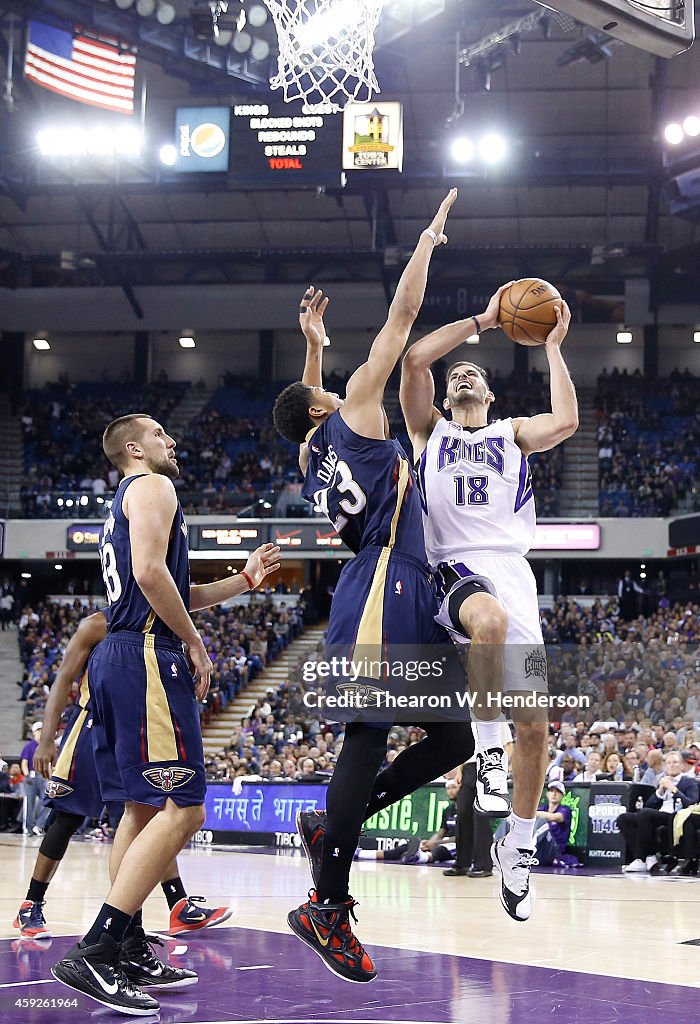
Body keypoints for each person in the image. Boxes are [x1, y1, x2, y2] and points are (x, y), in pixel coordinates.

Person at [273, 190, 474, 984]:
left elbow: (302, 410)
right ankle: (326, 902)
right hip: (386, 579)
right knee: (368, 733)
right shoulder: (355, 408)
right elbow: (401, 318)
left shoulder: (308, 453)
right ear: (330, 402)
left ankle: (334, 824)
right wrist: (426, 240)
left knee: (454, 738)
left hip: (392, 581)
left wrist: (313, 352)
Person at [51, 412, 280, 1014]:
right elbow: (153, 577)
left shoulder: (122, 504)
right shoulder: (154, 486)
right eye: (159, 434)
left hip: (122, 656)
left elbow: (171, 584)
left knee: (141, 805)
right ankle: (98, 947)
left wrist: (243, 582)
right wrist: (197, 645)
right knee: (186, 809)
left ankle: (124, 944)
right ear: (133, 448)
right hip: (148, 656)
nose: (171, 441)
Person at [399, 291, 577, 921]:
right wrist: (484, 321)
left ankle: (519, 846)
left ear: (493, 396)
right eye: (457, 377)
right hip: (454, 566)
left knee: (537, 726)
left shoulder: (512, 435)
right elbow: (417, 356)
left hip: (515, 573)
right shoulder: (429, 433)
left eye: (474, 372)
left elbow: (566, 421)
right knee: (489, 625)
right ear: (447, 399)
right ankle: (486, 744)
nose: (463, 374)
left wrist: (552, 350)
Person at [14, 611, 232, 941]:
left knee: (144, 817)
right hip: (90, 723)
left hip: (131, 725)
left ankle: (173, 907)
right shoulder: (97, 625)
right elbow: (63, 680)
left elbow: (188, 596)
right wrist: (46, 740)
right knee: (68, 817)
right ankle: (32, 903)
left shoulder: (162, 624)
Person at [444, 722, 512, 878]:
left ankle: (483, 865)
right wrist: (460, 771)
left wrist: (502, 768)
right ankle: (462, 863)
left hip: (489, 766)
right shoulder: (468, 722)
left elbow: (508, 746)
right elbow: (464, 750)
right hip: (469, 768)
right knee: (462, 815)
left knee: (481, 818)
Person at [618, 751, 699, 873]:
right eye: (669, 763)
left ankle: (640, 858)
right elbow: (649, 805)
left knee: (646, 814)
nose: (672, 765)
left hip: (675, 817)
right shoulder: (662, 781)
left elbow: (690, 803)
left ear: (682, 765)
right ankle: (649, 856)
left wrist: (673, 789)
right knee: (623, 818)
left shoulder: (688, 782)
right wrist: (660, 791)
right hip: (658, 814)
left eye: (675, 762)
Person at [356, 779, 461, 866]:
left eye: (454, 788)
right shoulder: (448, 810)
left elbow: (464, 838)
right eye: (448, 788)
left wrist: (436, 844)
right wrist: (429, 843)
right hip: (442, 842)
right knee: (406, 847)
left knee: (444, 849)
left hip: (459, 845)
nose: (451, 791)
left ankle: (420, 857)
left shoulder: (467, 810)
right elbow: (440, 833)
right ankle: (363, 854)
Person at [533, 781, 572, 867]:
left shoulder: (565, 809)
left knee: (541, 821)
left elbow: (555, 817)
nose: (554, 794)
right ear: (547, 794)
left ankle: (529, 851)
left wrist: (532, 813)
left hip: (554, 850)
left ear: (562, 795)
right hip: (540, 849)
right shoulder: (542, 808)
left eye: (557, 792)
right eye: (551, 791)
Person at [21, 722, 50, 835]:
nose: (41, 732)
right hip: (31, 776)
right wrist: (26, 775)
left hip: (43, 776)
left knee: (47, 802)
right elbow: (24, 762)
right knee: (29, 803)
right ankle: (28, 828)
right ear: (34, 733)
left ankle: (38, 825)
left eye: (42, 730)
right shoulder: (29, 746)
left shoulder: (46, 747)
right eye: (38, 730)